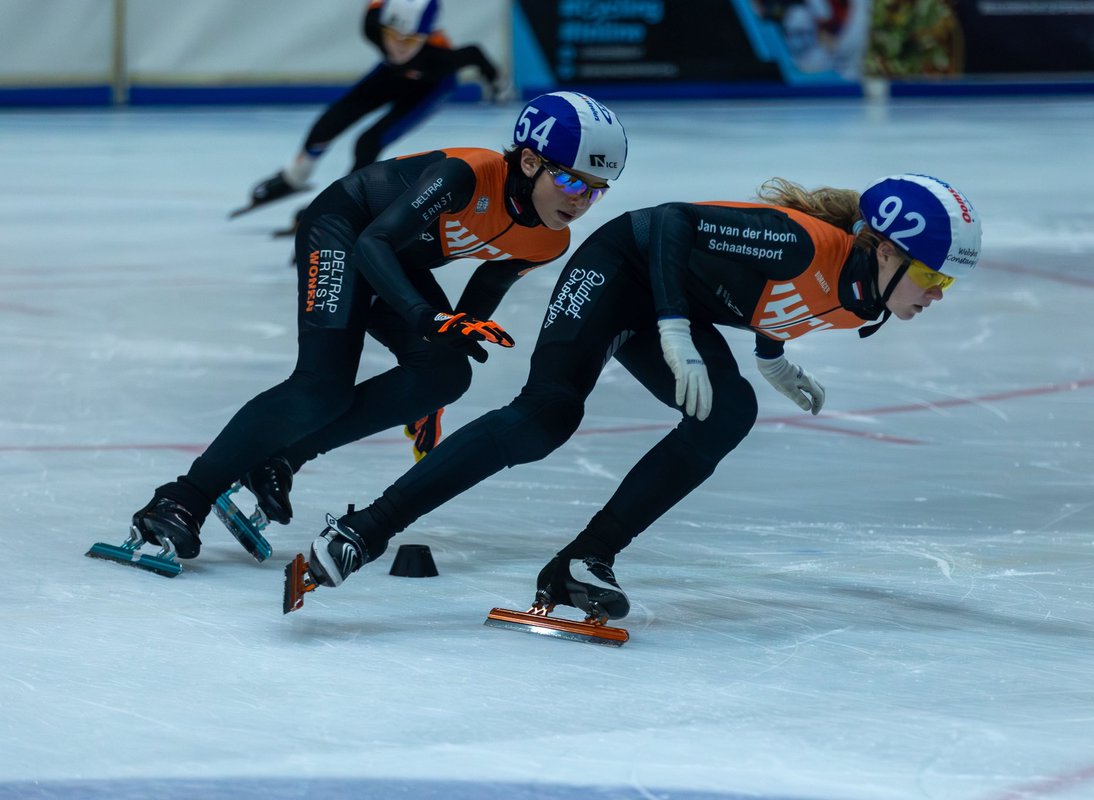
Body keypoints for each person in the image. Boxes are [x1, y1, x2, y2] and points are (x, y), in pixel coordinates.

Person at [295, 173, 982, 621]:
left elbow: (772, 300)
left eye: (945, 285)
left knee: (729, 410)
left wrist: (771, 356)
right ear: (886, 250)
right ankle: (365, 529)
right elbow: (672, 222)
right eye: (933, 276)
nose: (935, 295)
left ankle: (581, 562)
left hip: (672, 304)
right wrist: (676, 327)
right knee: (545, 418)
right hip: (619, 266)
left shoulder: (866, 301)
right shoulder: (803, 242)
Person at [128, 91, 628, 562]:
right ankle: (181, 499)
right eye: (570, 181)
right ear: (528, 161)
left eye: (596, 190)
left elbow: (488, 280)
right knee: (321, 388)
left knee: (445, 376)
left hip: (397, 258)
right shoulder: (467, 176)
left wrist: (462, 329)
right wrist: (421, 315)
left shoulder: (548, 241)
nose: (581, 200)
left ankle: (279, 459)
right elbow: (374, 244)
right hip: (346, 230)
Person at [232, 0, 511, 223]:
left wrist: (498, 84)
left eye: (410, 39)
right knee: (334, 118)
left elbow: (475, 54)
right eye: (393, 36)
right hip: (391, 75)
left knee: (368, 141)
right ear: (383, 28)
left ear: (425, 36)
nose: (398, 46)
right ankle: (295, 176)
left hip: (430, 88)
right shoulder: (372, 26)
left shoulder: (440, 59)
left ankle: (347, 203)